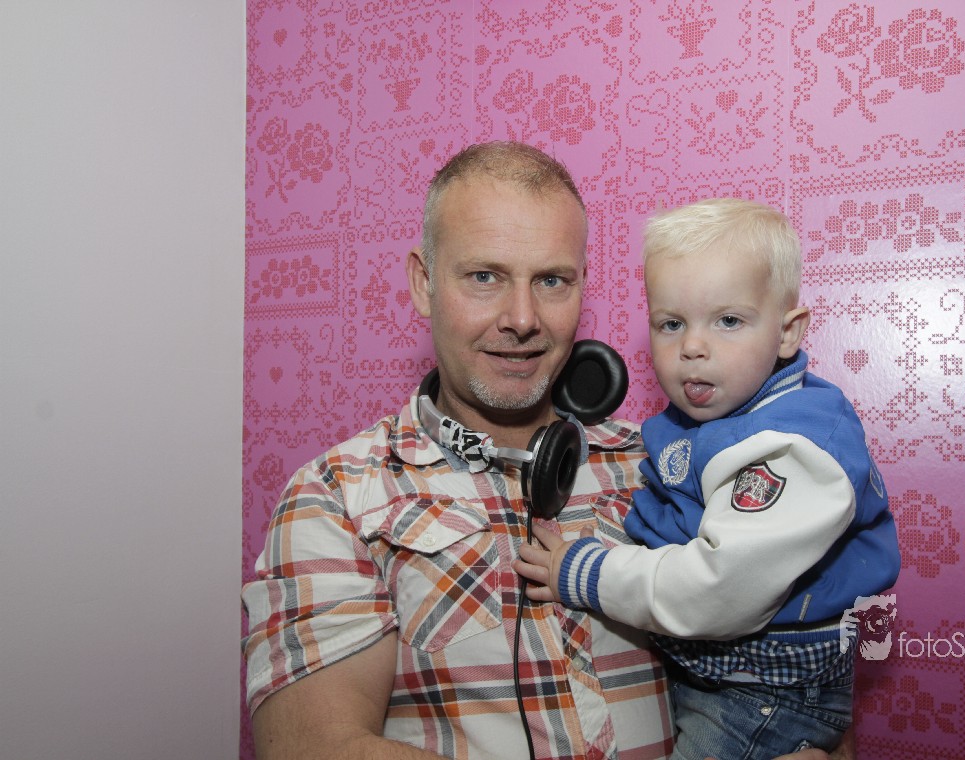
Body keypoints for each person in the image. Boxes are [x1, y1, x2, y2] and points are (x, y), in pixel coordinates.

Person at [242, 141, 851, 760]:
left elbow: (798, 681)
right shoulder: (337, 496)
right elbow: (313, 749)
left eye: (552, 281)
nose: (522, 318)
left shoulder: (664, 465)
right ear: (424, 283)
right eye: (485, 277)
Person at [515, 199, 900, 759]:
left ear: (787, 333)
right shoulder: (702, 424)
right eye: (671, 324)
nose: (692, 347)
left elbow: (721, 588)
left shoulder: (792, 447)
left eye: (729, 321)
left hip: (764, 694)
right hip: (716, 674)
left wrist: (587, 573)